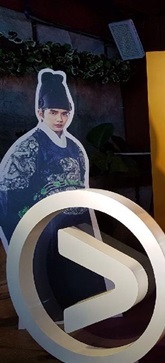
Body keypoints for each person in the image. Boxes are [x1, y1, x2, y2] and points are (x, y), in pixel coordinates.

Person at [0, 69, 105, 312]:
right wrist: (31, 231)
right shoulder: (28, 147)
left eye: (64, 113)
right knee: (52, 291)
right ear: (40, 112)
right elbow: (8, 198)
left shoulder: (75, 148)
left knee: (85, 290)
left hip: (76, 226)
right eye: (53, 112)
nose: (60, 118)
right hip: (46, 231)